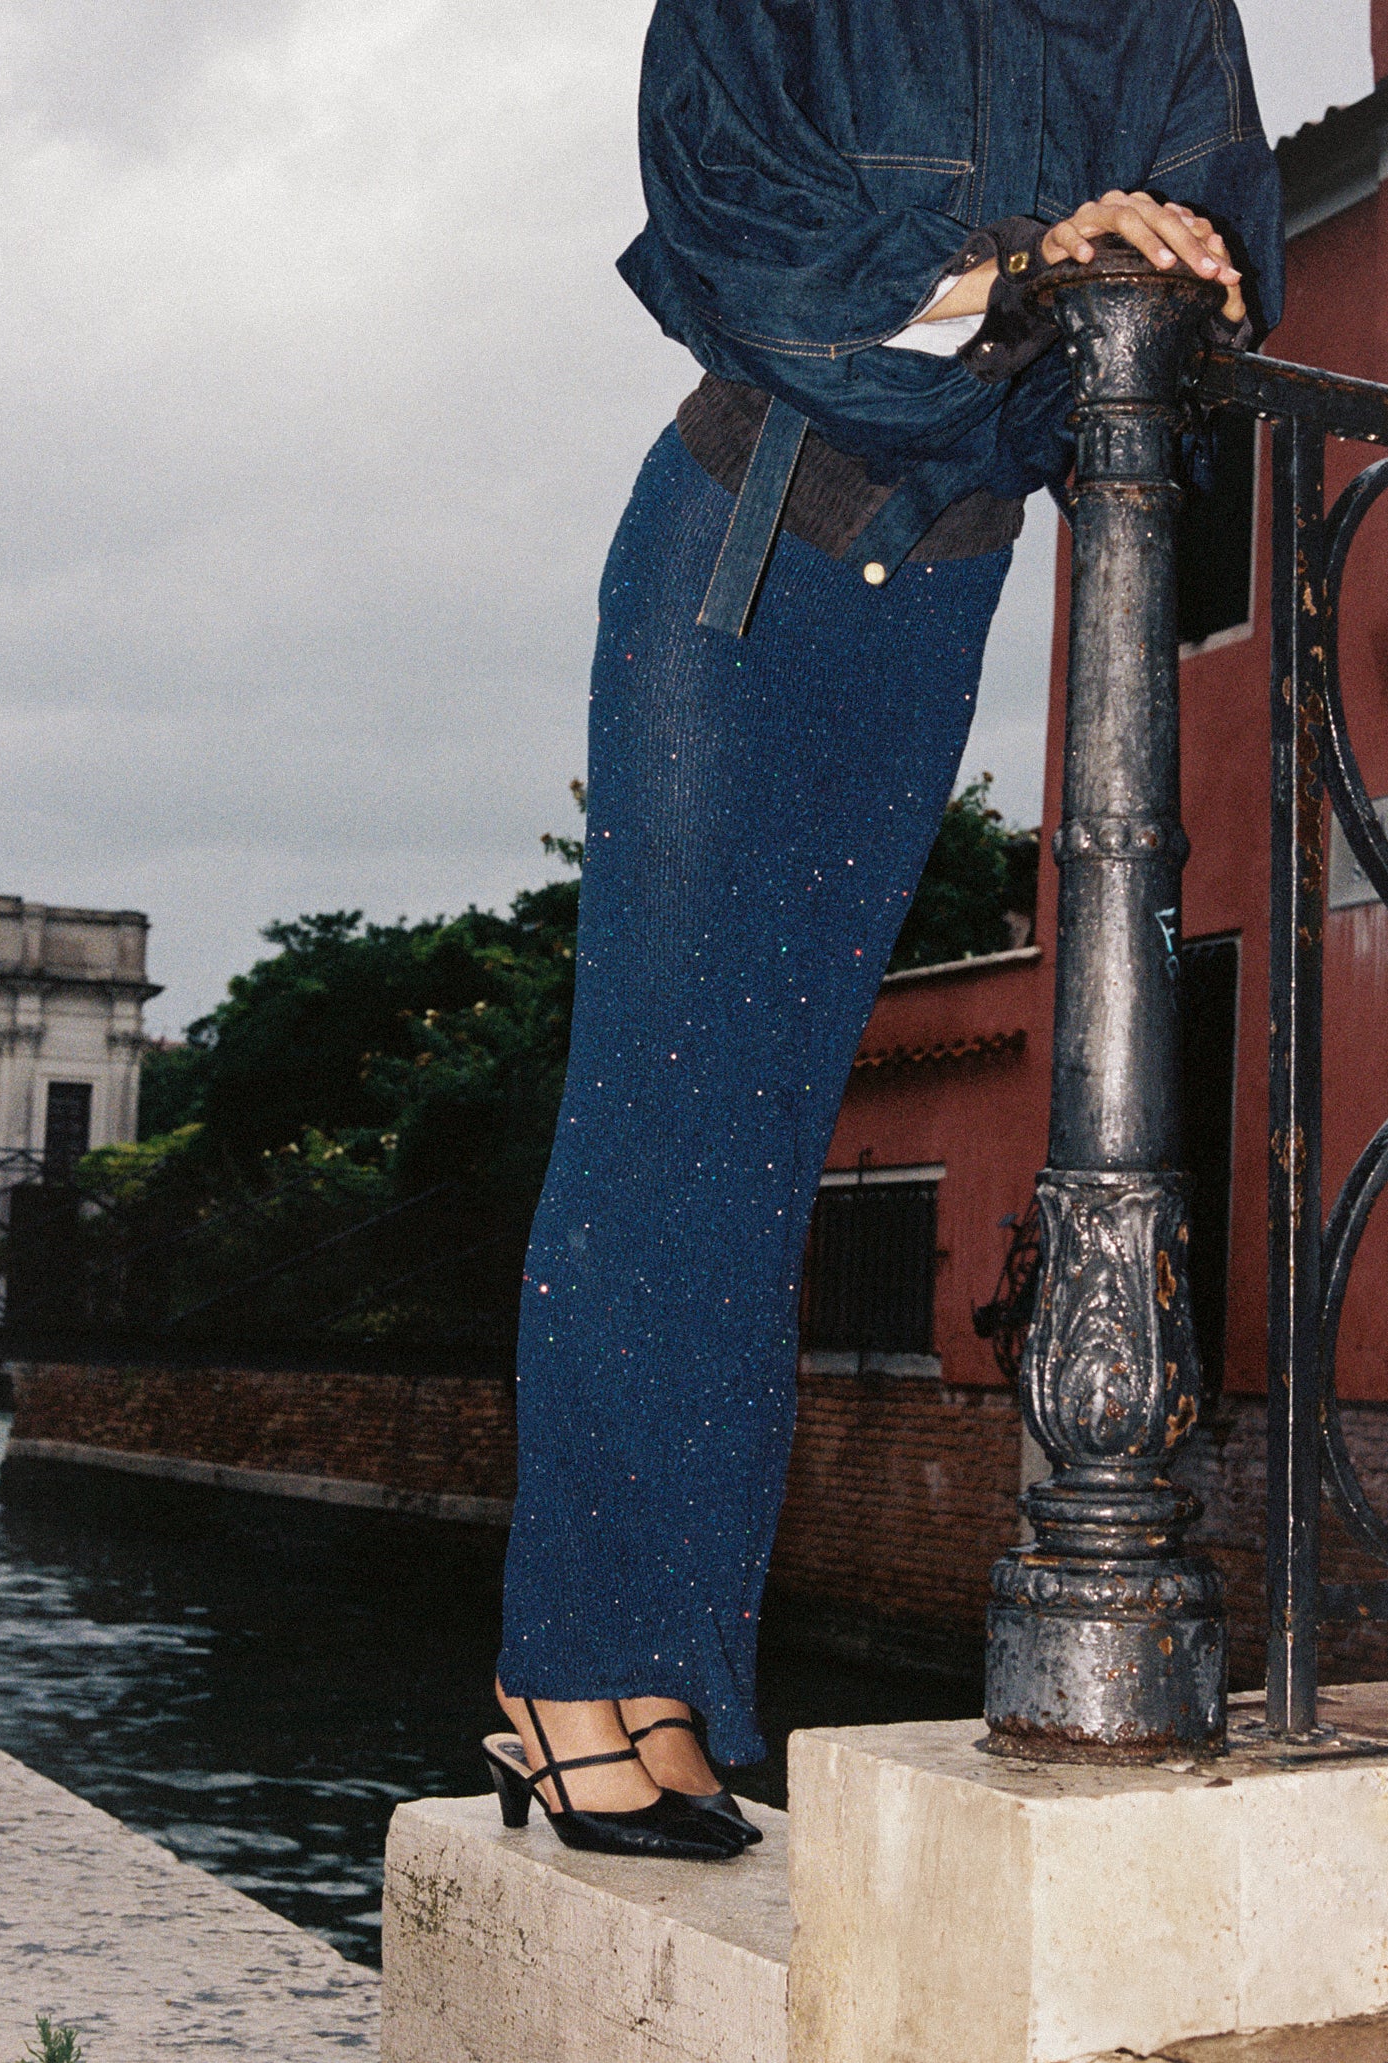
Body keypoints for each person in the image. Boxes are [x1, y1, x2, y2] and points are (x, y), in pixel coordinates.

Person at [482, 0, 1284, 1860]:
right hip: (745, 548)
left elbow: (1209, 265)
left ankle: (654, 1680)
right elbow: (739, 254)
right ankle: (573, 1674)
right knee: (669, 1117)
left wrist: (1136, 264)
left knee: (759, 1138)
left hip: (935, 596)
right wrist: (1032, 267)